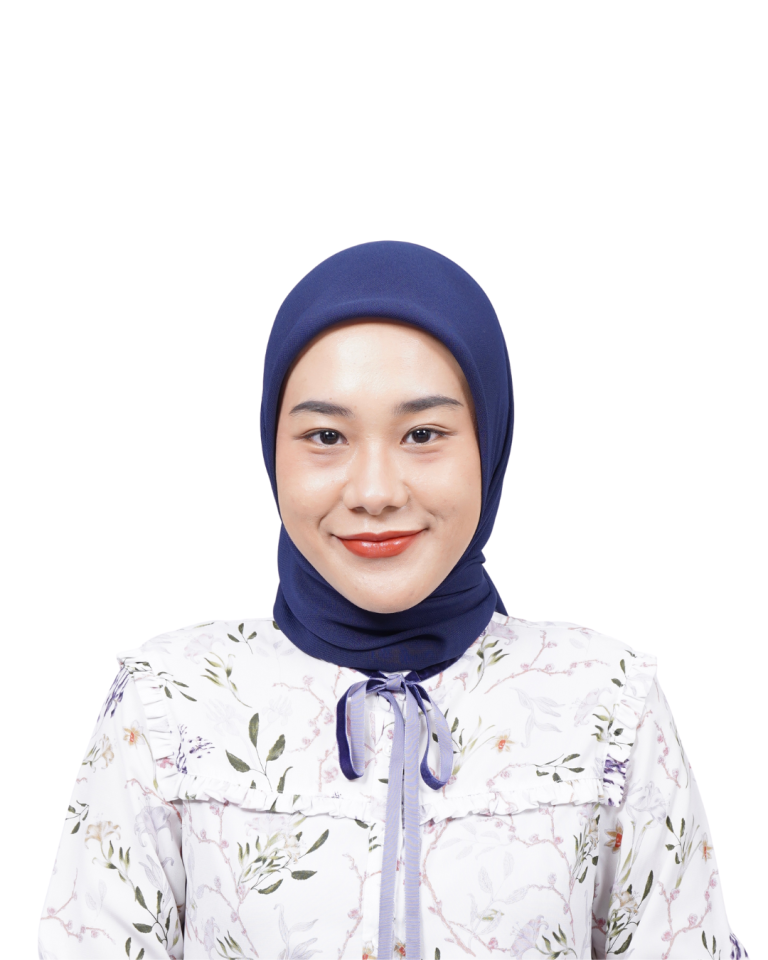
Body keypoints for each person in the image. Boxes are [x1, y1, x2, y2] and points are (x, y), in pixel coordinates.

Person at [39, 241, 747, 960]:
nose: (375, 492)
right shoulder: (169, 704)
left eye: (423, 434)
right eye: (325, 435)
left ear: (490, 443)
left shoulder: (607, 704)